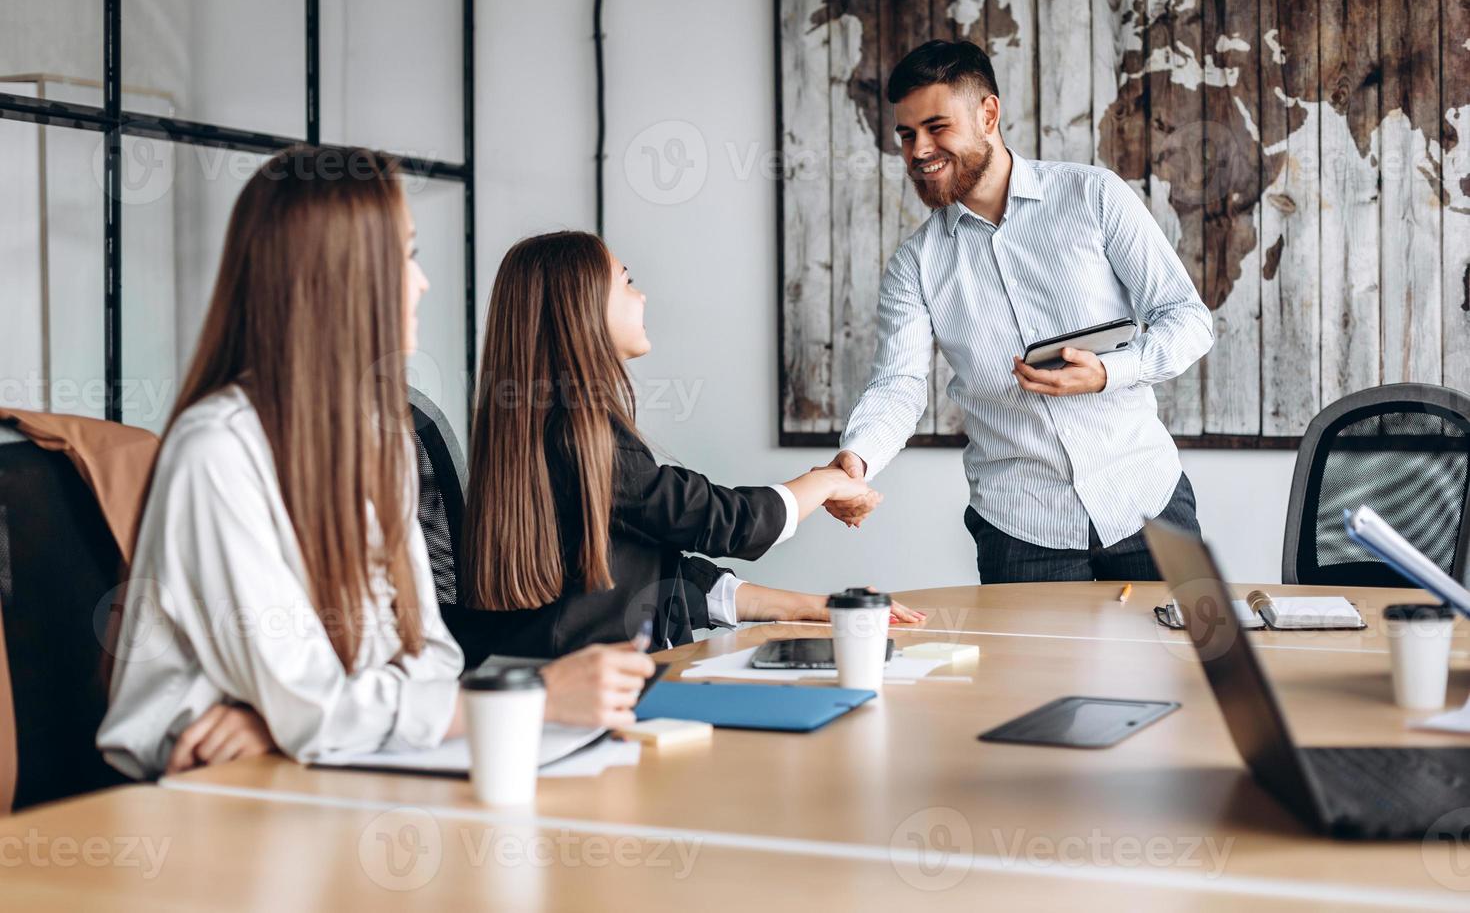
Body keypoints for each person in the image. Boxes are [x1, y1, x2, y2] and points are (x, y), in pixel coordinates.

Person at [97, 148, 654, 780]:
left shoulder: (378, 437)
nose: (421, 282)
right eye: (406, 255)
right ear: (337, 274)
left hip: (329, 766)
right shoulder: (218, 450)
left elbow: (428, 654)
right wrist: (536, 696)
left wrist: (280, 722)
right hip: (201, 789)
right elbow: (310, 703)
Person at [823, 39, 1213, 584]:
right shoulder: (914, 265)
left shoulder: (1094, 196)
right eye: (907, 135)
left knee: (1194, 667)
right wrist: (855, 461)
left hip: (1147, 499)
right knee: (1034, 673)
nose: (918, 150)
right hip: (1021, 530)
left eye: (937, 127)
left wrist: (1109, 373)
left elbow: (1188, 318)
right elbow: (898, 386)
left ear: (988, 114)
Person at [448, 231, 924, 663]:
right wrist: (828, 482)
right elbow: (726, 521)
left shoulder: (551, 431)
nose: (642, 295)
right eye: (626, 281)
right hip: (589, 695)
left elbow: (668, 578)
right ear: (581, 305)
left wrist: (816, 606)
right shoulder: (581, 436)